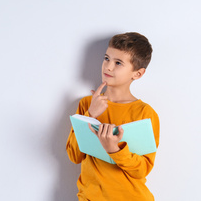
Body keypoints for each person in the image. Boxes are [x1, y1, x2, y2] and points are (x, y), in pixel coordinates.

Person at [66, 32, 160, 201]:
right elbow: (74, 156)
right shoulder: (87, 104)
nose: (108, 67)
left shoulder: (145, 113)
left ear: (137, 74)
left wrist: (114, 150)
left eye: (118, 63)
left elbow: (142, 169)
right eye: (106, 58)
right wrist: (91, 115)